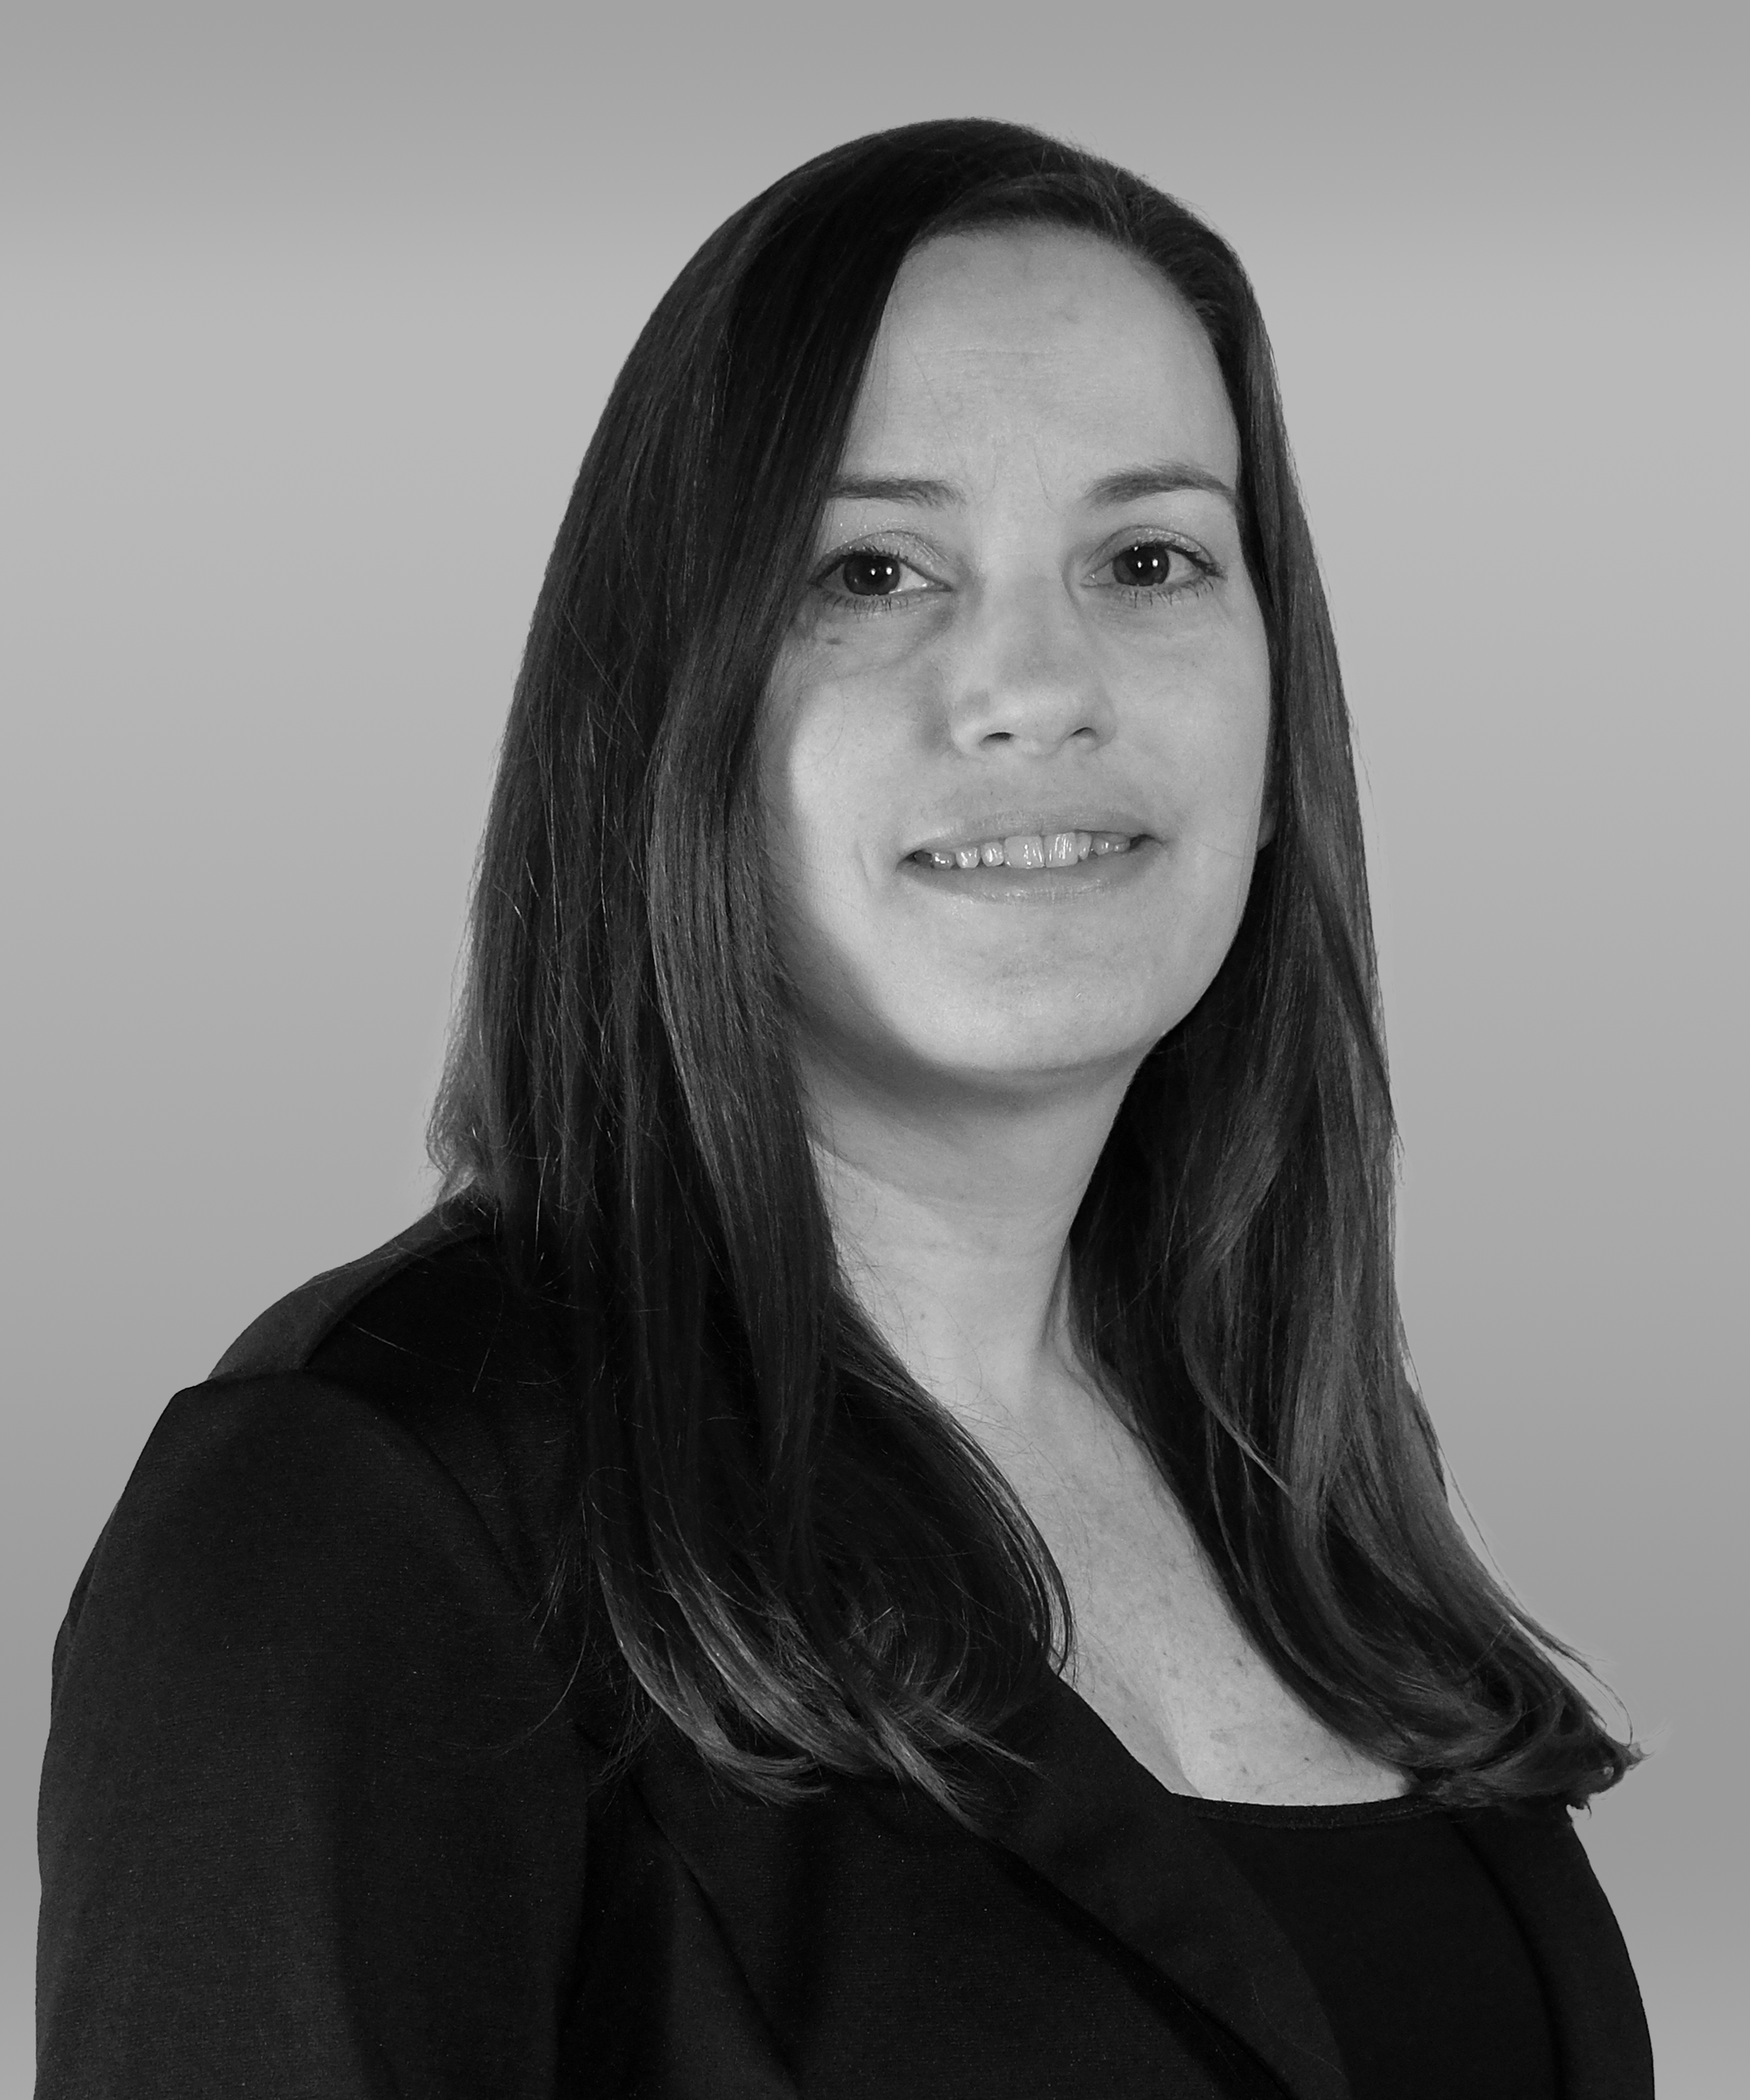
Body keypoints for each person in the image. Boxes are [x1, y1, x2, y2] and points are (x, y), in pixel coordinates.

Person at [35, 118, 1652, 2099]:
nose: (1034, 685)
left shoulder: (1294, 1476)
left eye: (1147, 557)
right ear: (666, 707)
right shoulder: (359, 1523)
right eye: (870, 568)